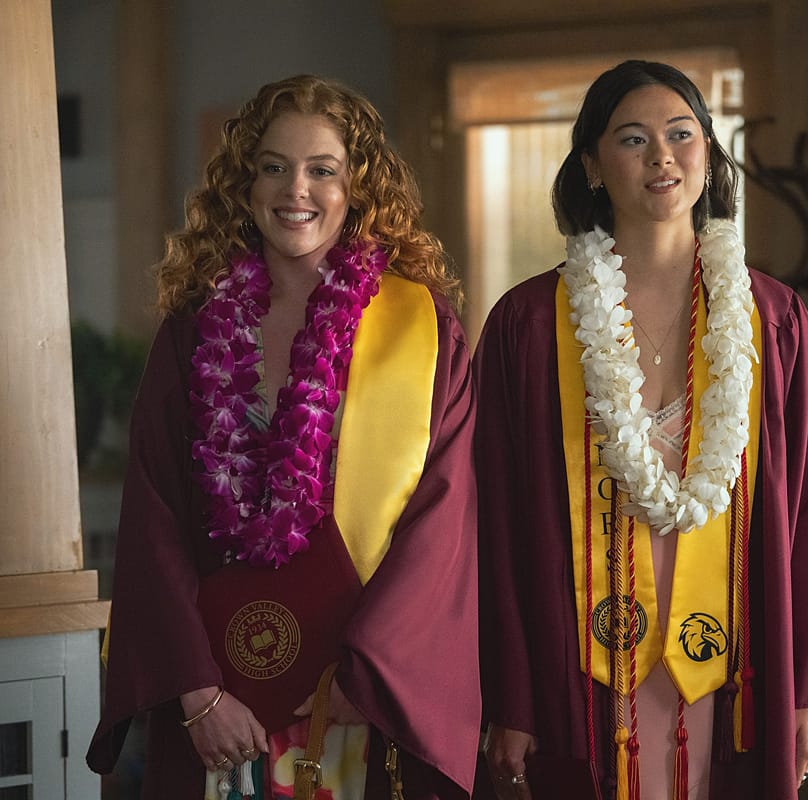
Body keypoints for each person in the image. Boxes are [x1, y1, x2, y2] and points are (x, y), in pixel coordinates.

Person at [473, 60, 808, 800]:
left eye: (681, 134)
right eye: (633, 139)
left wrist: (807, 689)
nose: (662, 157)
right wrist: (510, 694)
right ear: (591, 165)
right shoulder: (530, 325)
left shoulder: (773, 321)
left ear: (708, 152)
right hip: (577, 662)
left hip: (737, 659)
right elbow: (493, 520)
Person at [87, 75, 480, 800]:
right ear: (245, 183)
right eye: (274, 166)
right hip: (217, 700)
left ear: (358, 187)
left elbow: (443, 518)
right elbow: (153, 517)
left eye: (322, 169)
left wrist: (377, 675)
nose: (296, 189)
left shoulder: (422, 331)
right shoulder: (194, 330)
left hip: (359, 695)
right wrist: (195, 691)